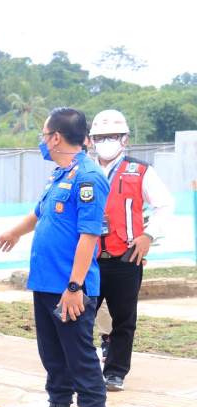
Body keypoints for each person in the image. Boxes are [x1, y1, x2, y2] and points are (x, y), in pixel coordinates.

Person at [0, 107, 110, 407]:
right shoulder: (61, 174)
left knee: (80, 358)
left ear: (56, 137)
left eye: (44, 135)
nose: (43, 141)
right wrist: (15, 232)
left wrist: (75, 287)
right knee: (53, 357)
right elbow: (40, 212)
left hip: (70, 289)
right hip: (46, 285)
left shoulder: (88, 177)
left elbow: (89, 236)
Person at [89, 109, 174, 391]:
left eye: (113, 136)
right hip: (88, 259)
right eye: (101, 137)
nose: (106, 142)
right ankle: (83, 368)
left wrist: (149, 235)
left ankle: (115, 373)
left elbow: (165, 205)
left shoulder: (140, 171)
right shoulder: (82, 170)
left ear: (124, 139)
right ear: (91, 140)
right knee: (80, 316)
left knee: (124, 319)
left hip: (125, 257)